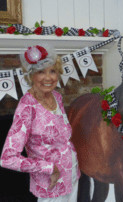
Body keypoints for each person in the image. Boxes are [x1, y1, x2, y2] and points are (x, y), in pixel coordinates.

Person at [0, 44, 80, 201]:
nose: (48, 77)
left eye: (52, 71)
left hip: (72, 175)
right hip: (51, 184)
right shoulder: (27, 107)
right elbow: (7, 158)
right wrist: (49, 168)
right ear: (31, 76)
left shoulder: (56, 97)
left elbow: (63, 139)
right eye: (40, 72)